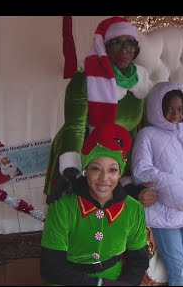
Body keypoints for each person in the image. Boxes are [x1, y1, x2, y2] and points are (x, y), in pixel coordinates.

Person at [44, 16, 150, 204]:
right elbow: (74, 127)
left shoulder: (140, 81)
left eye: (130, 44)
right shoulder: (85, 78)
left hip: (116, 155)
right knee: (77, 214)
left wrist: (131, 169)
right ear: (105, 47)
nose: (124, 50)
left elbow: (132, 130)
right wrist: (72, 171)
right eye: (116, 43)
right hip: (82, 150)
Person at [40, 123, 150, 286]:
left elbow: (138, 261)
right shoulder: (63, 205)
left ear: (120, 173)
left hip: (114, 278)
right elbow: (51, 268)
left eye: (112, 170)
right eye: (96, 169)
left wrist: (125, 284)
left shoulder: (133, 209)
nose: (104, 178)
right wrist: (99, 284)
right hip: (66, 280)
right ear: (86, 170)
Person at [131, 81, 183, 286]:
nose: (175, 114)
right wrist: (177, 189)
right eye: (168, 110)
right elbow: (142, 170)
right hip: (163, 213)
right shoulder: (147, 135)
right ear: (157, 109)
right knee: (178, 266)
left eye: (179, 109)